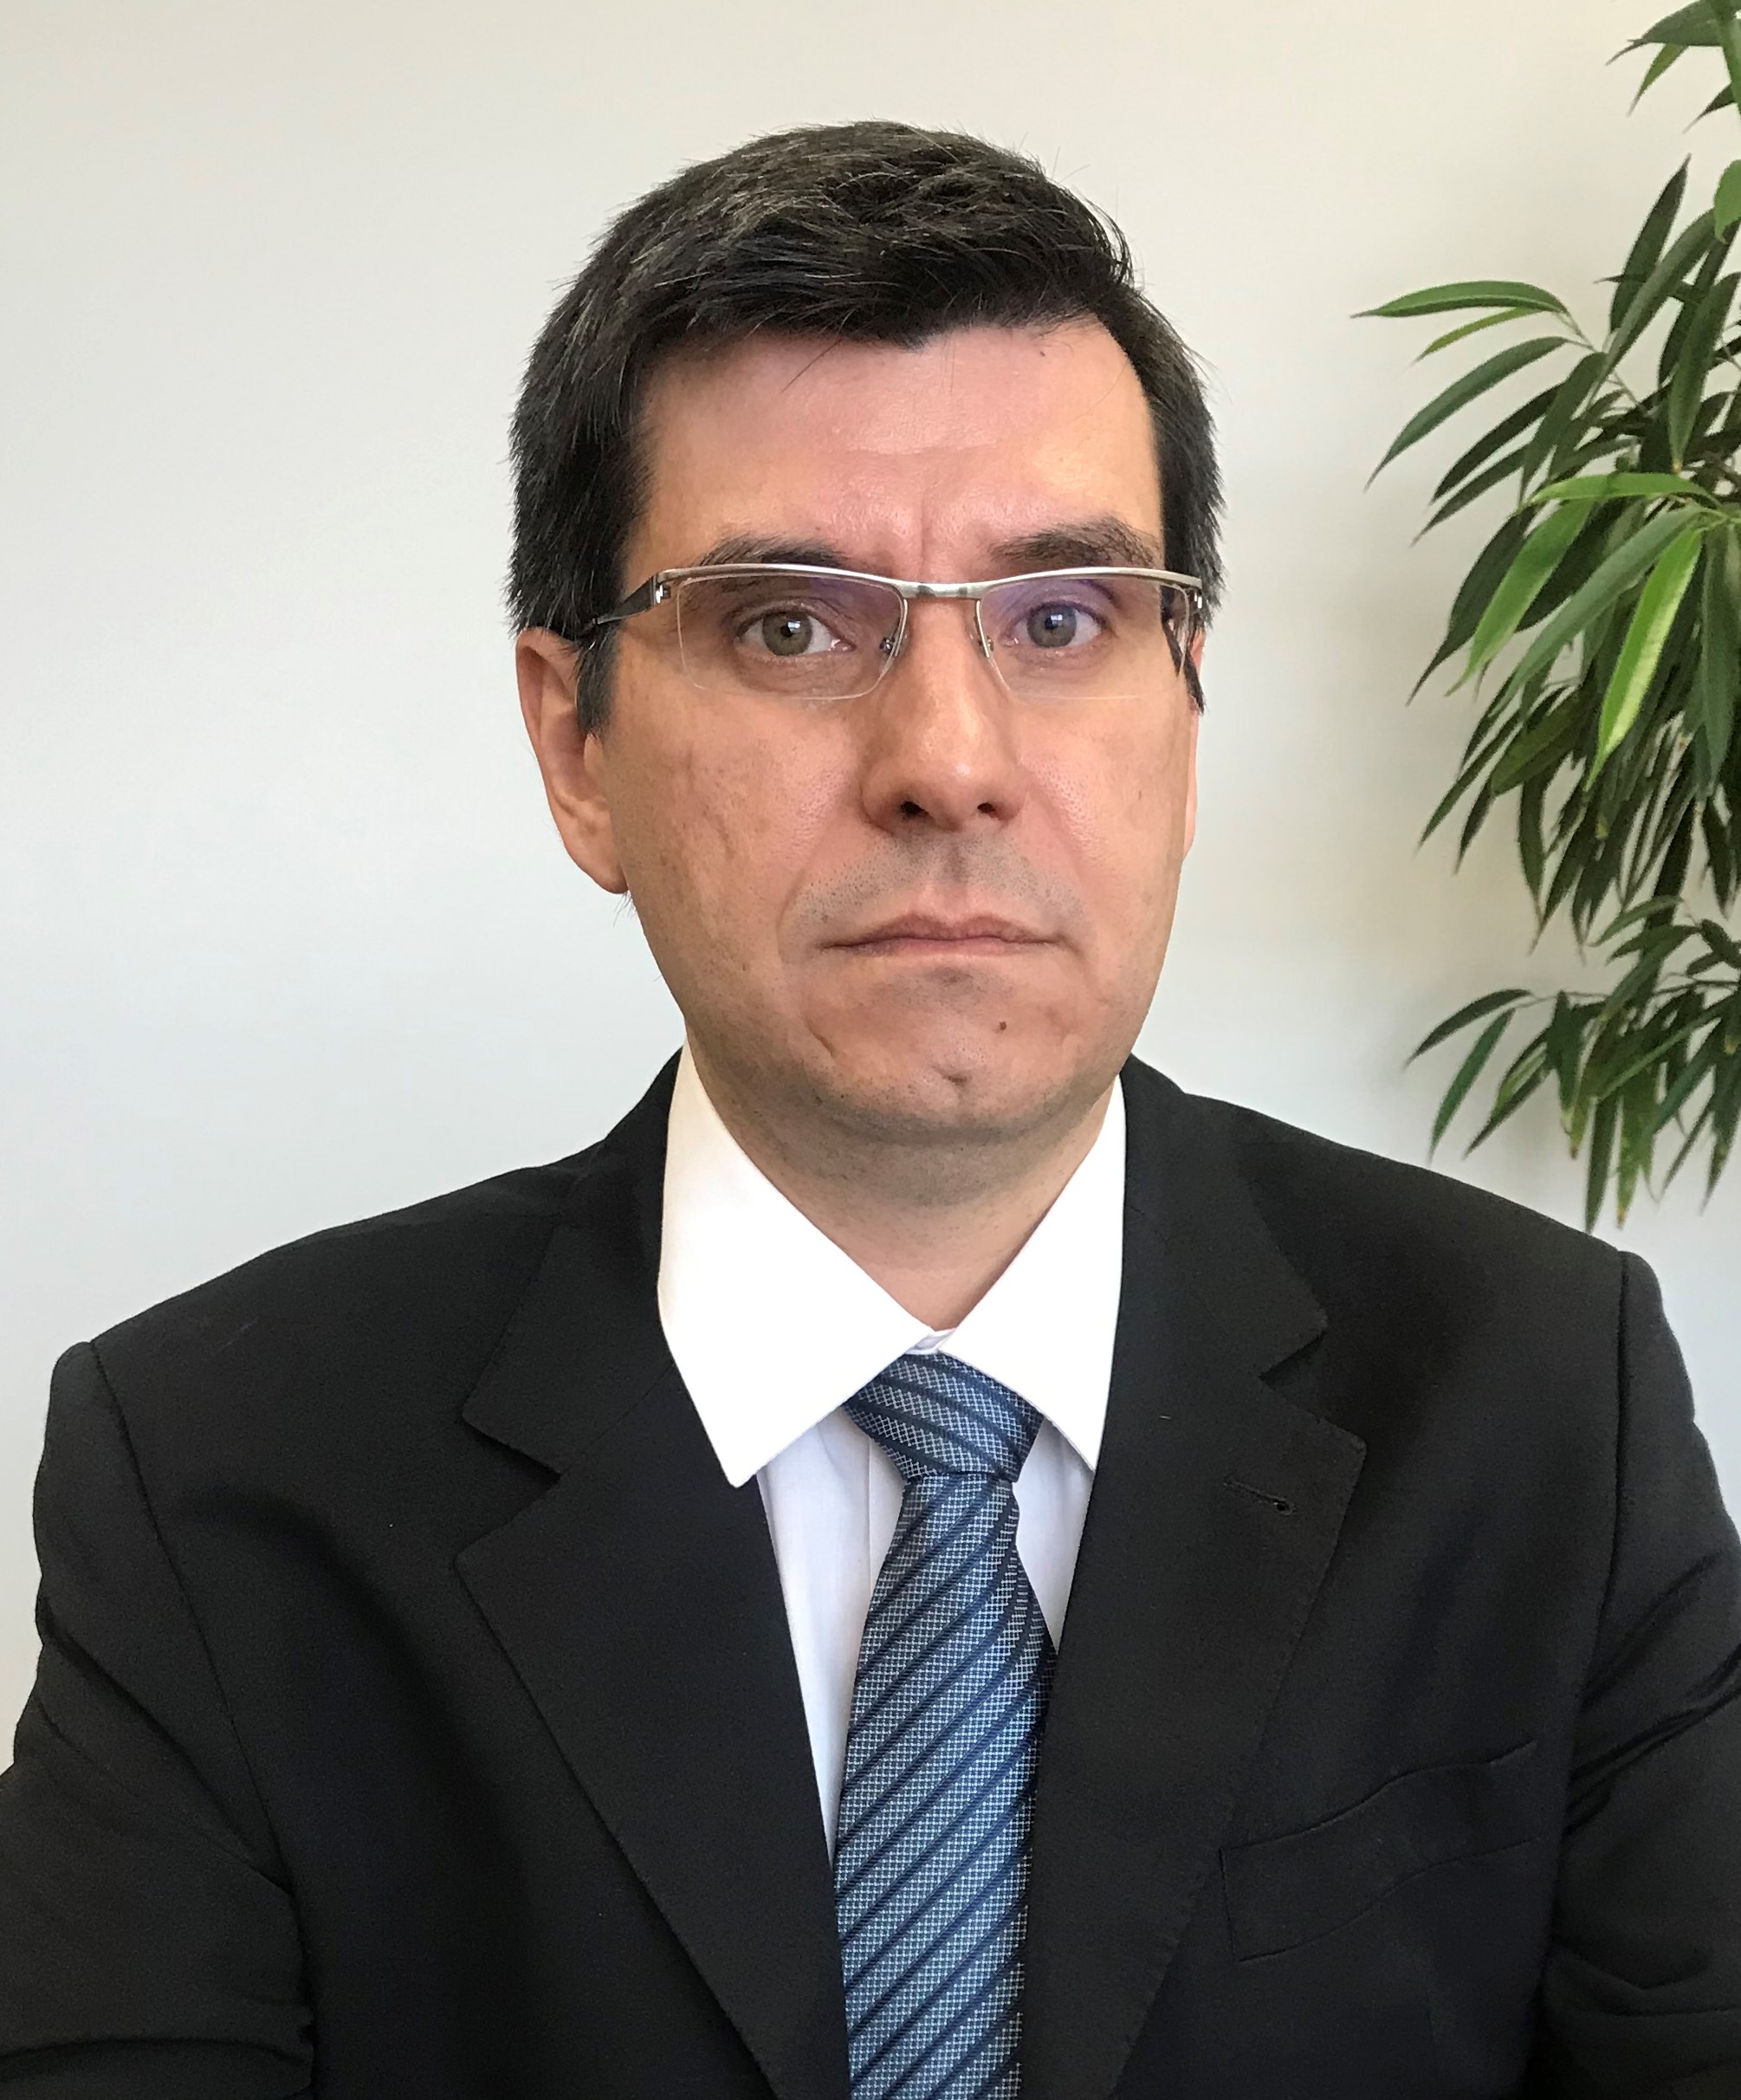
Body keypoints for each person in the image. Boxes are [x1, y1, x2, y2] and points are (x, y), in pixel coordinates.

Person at [1, 119, 1738, 2100]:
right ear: (576, 747)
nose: (948, 760)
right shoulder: (220, 1477)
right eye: (791, 625)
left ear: (1187, 709)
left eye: (1062, 618)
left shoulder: (1543, 1401)